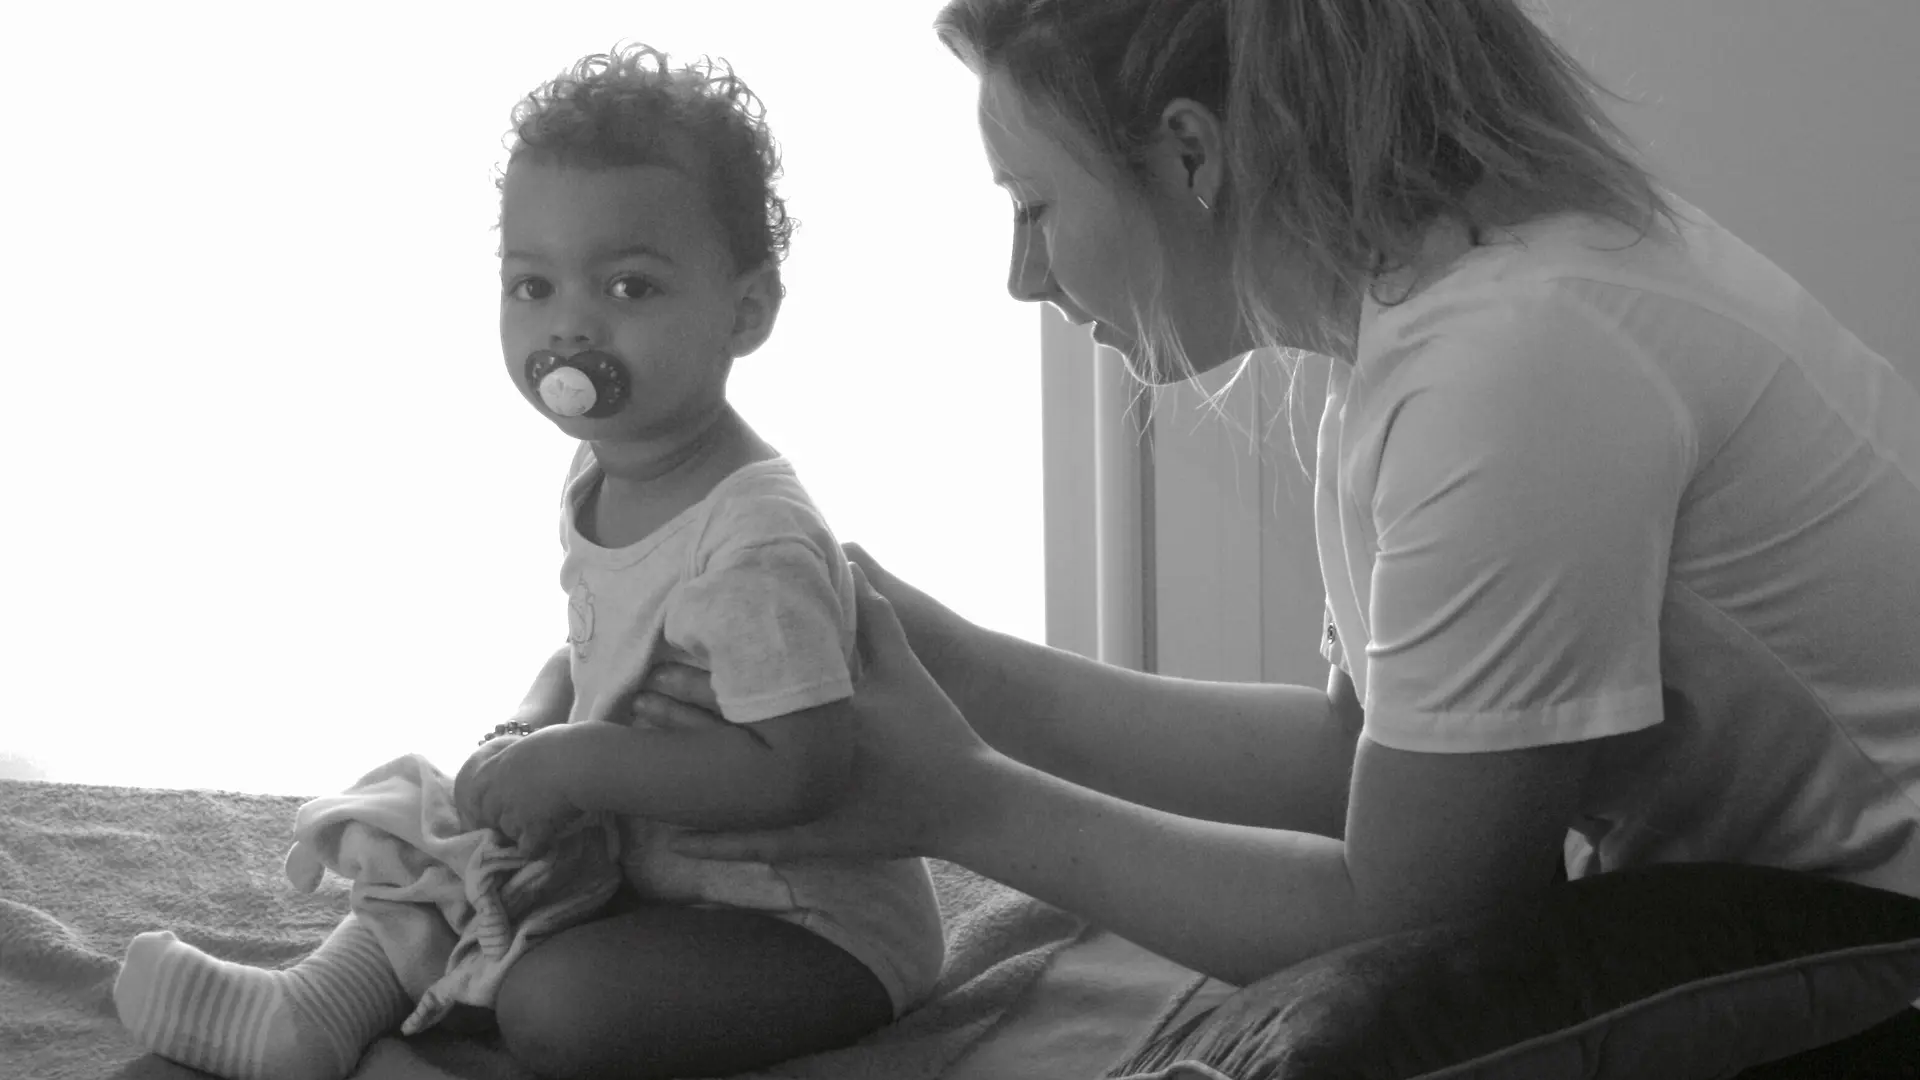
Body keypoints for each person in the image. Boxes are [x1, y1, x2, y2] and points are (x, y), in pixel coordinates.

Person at [639, 0, 1920, 1003]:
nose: (1021, 276)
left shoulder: (1516, 362)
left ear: (1191, 151)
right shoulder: (1420, 311)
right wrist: (957, 663)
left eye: (1033, 206)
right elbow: (1356, 761)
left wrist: (959, 799)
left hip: (1874, 955)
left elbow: (1409, 923)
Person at [110, 44, 944, 1080]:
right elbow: (605, 651)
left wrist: (578, 763)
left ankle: (429, 1036)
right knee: (451, 836)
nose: (569, 328)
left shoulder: (754, 539)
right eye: (532, 285)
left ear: (746, 311)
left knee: (557, 1005)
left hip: (809, 925)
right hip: (658, 864)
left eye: (630, 285)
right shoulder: (604, 473)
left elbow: (804, 765)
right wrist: (530, 728)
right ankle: (308, 1013)